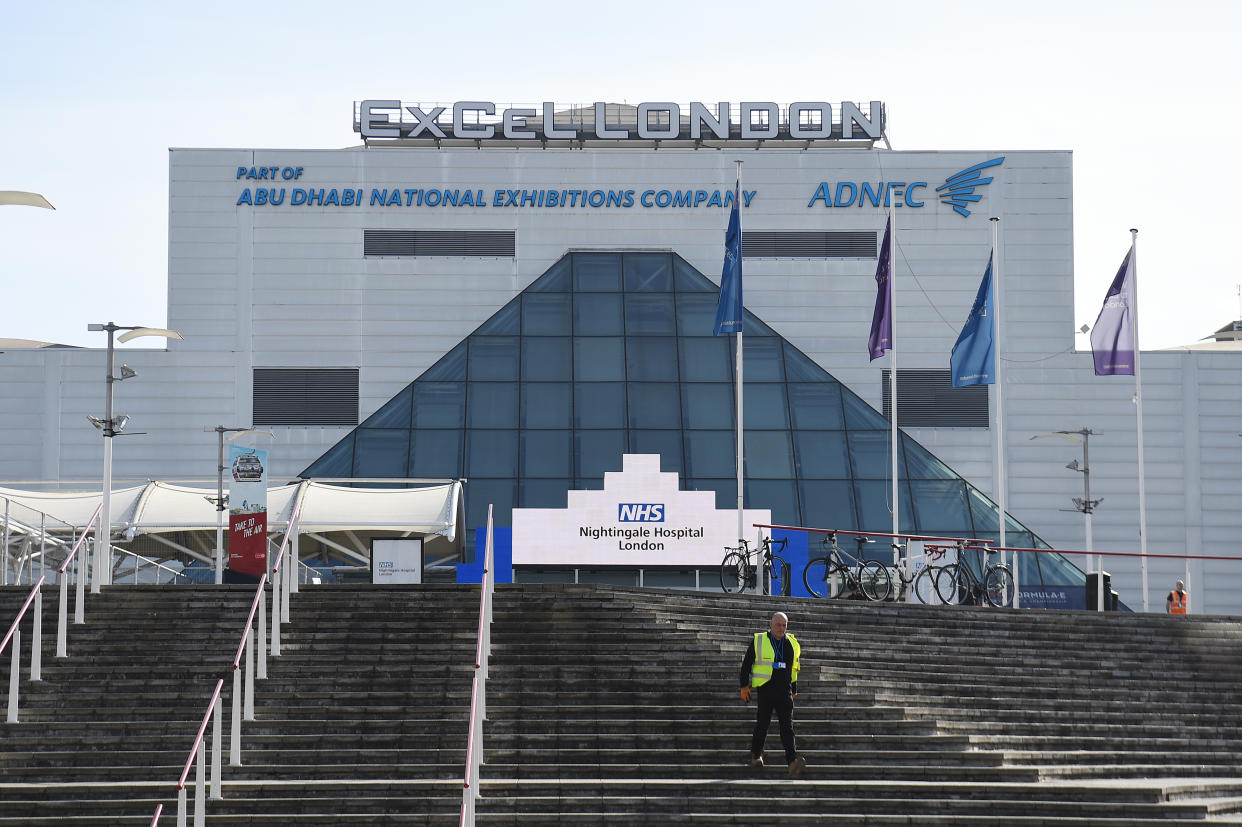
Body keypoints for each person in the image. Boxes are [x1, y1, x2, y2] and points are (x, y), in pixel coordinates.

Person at [738, 611, 805, 776]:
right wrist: (744, 686)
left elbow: (794, 669)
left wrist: (794, 688)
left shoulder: (792, 644)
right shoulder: (759, 640)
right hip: (766, 689)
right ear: (771, 624)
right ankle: (756, 755)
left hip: (784, 691)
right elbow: (746, 664)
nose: (781, 628)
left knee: (787, 727)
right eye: (778, 625)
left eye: (784, 625)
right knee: (762, 724)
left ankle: (792, 761)